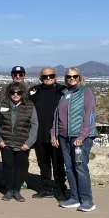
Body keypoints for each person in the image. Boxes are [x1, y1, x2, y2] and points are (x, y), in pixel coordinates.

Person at [53, 68, 97, 212]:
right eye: (69, 76)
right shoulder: (65, 93)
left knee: (80, 167)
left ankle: (87, 200)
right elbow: (57, 116)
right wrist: (54, 134)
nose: (71, 78)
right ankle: (74, 197)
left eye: (75, 76)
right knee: (70, 168)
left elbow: (90, 115)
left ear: (79, 77)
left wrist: (82, 136)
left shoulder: (86, 92)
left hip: (80, 138)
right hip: (64, 137)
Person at [0, 84, 38, 203]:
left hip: (23, 143)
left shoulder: (29, 106)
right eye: (13, 92)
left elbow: (34, 125)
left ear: (22, 93)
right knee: (7, 167)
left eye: (18, 93)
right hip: (6, 142)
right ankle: (9, 190)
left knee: (20, 168)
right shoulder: (3, 105)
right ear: (9, 92)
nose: (15, 95)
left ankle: (17, 190)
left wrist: (29, 143)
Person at [29, 68, 67, 199]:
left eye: (51, 76)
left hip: (57, 134)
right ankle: (45, 187)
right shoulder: (35, 91)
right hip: (40, 134)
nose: (48, 78)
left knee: (58, 163)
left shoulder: (63, 91)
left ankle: (60, 188)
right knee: (43, 163)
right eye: (45, 76)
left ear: (56, 77)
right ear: (41, 78)